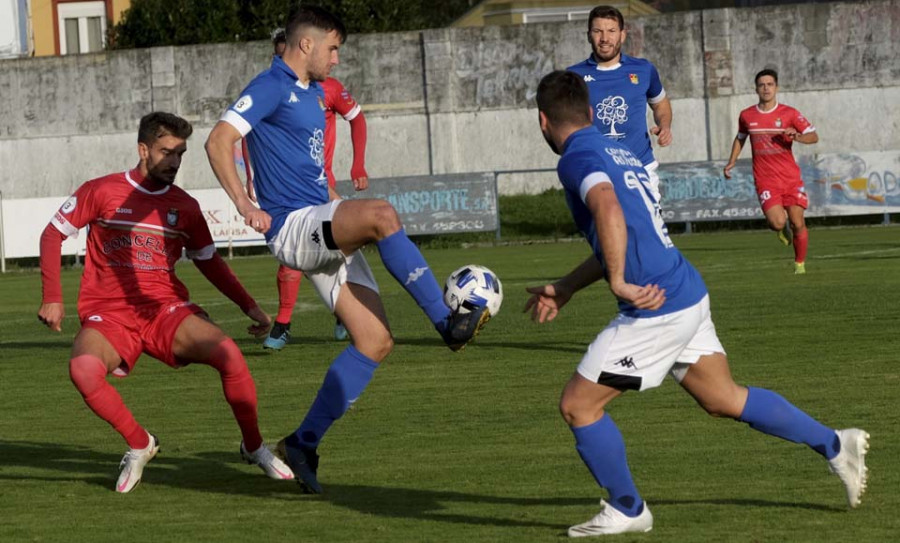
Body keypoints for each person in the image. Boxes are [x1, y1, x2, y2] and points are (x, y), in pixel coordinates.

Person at [527, 70, 868, 536]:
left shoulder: (576, 158)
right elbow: (628, 228)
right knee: (723, 398)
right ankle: (833, 443)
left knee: (578, 406)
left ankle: (628, 507)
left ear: (543, 122)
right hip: (684, 288)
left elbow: (607, 209)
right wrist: (568, 285)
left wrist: (621, 282)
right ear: (589, 112)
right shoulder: (614, 148)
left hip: (657, 306)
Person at [204, 6, 489, 494]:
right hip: (294, 226)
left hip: (320, 217)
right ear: (307, 45)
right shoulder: (271, 84)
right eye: (333, 49)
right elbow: (218, 140)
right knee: (381, 215)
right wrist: (244, 203)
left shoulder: (315, 93)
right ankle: (447, 324)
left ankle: (303, 442)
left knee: (374, 341)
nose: (337, 60)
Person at [37, 112, 294, 493]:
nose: (173, 161)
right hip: (109, 316)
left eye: (180, 154)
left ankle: (254, 446)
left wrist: (249, 306)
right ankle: (140, 443)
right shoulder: (102, 190)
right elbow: (52, 234)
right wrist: (53, 298)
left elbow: (210, 262)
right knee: (83, 371)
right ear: (143, 150)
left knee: (230, 356)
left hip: (164, 311)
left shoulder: (184, 206)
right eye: (165, 152)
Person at [243, 30, 371, 350]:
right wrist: (251, 175)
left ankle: (336, 313)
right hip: (287, 186)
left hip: (319, 185)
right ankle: (289, 323)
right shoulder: (272, 88)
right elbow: (249, 131)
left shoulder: (327, 88)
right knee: (294, 256)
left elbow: (357, 119)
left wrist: (358, 165)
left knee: (346, 244)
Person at [566, 5, 672, 203]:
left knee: (648, 230)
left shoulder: (643, 69)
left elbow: (660, 103)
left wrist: (665, 125)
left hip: (641, 168)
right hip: (597, 171)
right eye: (598, 31)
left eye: (611, 31)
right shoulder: (573, 76)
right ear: (589, 35)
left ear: (623, 35)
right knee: (607, 233)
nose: (605, 38)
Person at [724, 68, 818, 274]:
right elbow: (740, 138)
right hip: (765, 179)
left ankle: (799, 264)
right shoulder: (747, 115)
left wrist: (797, 136)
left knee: (797, 222)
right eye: (762, 85)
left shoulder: (789, 113)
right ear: (756, 88)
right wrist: (731, 162)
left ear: (776, 87)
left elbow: (813, 136)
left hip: (790, 178)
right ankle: (780, 230)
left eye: (770, 84)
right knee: (777, 222)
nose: (766, 88)